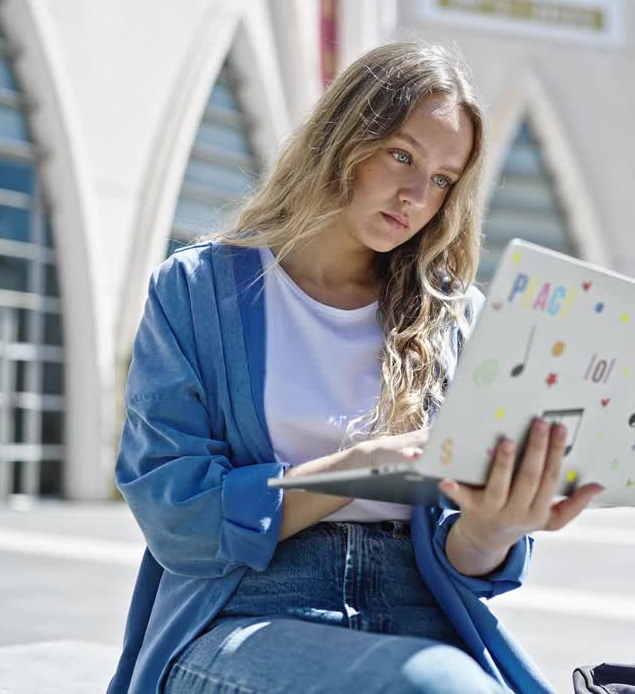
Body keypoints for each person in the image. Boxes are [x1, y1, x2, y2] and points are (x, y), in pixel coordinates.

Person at [108, 41, 605, 694]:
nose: (416, 196)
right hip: (246, 618)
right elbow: (180, 519)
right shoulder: (197, 291)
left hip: (423, 615)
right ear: (343, 137)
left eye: (442, 180)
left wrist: (493, 527)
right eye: (402, 155)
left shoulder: (456, 317)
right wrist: (360, 468)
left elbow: (464, 560)